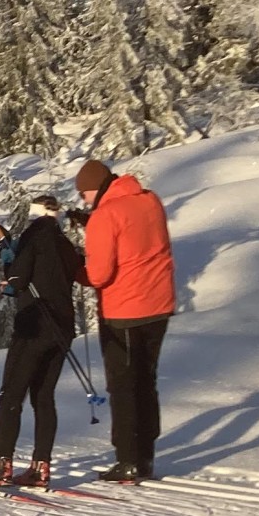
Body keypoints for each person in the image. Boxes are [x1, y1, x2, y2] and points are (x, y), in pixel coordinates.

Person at [76, 157, 176, 482]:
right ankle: (145, 456)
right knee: (147, 381)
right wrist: (92, 222)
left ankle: (127, 459)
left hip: (124, 311)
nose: (84, 201)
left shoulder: (104, 216)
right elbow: (133, 237)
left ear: (95, 189)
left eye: (85, 195)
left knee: (123, 386)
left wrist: (76, 265)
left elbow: (99, 274)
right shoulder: (150, 200)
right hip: (159, 305)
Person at [0, 195, 82, 489]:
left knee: (11, 395)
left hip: (34, 325)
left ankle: (2, 466)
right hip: (63, 328)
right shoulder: (64, 244)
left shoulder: (32, 236)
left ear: (34, 213)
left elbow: (17, 280)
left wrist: (6, 255)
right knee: (43, 396)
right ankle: (41, 466)